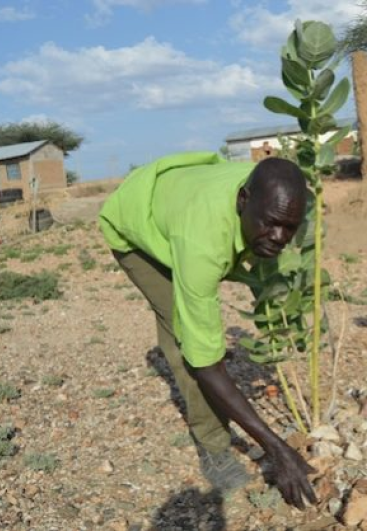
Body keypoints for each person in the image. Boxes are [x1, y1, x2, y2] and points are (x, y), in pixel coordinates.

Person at [99, 152, 317, 509]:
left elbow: (276, 225)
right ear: (243, 200)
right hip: (134, 222)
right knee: (185, 342)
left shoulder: (270, 195)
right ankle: (214, 448)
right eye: (271, 223)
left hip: (179, 199)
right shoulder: (202, 245)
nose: (279, 237)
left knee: (203, 321)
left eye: (289, 228)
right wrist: (277, 449)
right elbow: (205, 364)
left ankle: (208, 349)